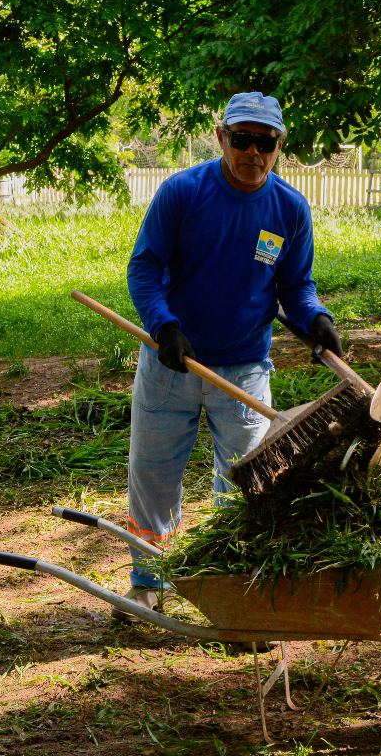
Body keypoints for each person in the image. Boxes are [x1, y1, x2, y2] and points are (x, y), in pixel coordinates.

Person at [120, 91, 343, 619]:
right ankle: (148, 584)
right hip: (171, 363)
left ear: (279, 144)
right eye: (241, 139)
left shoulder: (289, 209)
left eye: (264, 142)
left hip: (244, 370)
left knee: (246, 484)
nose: (252, 152)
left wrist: (316, 318)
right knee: (154, 476)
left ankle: (236, 592)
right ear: (221, 137)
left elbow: (297, 286)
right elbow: (144, 269)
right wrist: (164, 326)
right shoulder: (182, 193)